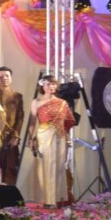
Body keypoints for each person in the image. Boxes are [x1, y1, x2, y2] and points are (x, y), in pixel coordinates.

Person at [30, 75, 75, 207]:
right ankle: (47, 199)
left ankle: (58, 198)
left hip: (60, 137)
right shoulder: (36, 102)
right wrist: (31, 139)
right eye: (48, 84)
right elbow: (32, 123)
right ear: (42, 86)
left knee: (59, 168)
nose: (52, 86)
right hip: (44, 136)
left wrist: (68, 139)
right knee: (46, 166)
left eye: (54, 84)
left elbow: (66, 124)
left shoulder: (62, 103)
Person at [0, 66, 25, 185]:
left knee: (11, 167)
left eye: (7, 76)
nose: (4, 78)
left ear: (11, 78)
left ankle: (9, 193)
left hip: (10, 136)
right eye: (1, 76)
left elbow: (20, 117)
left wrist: (16, 136)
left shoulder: (17, 96)